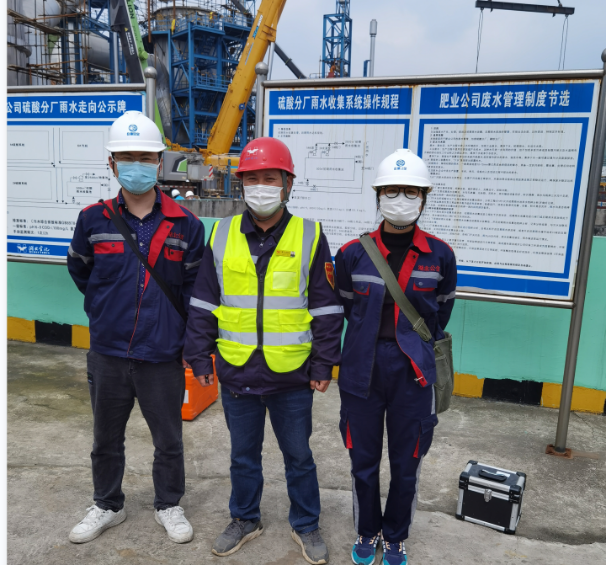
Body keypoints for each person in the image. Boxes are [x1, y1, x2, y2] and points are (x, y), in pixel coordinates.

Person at [184, 137, 344, 565]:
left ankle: (306, 523)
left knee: (299, 457)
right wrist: (198, 356)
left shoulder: (310, 235)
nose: (260, 187)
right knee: (242, 457)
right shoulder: (221, 234)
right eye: (251, 179)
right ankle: (244, 518)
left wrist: (324, 364)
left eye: (269, 178)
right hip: (237, 369)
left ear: (287, 183)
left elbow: (326, 308)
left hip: (292, 374)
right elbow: (204, 301)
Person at [67, 111, 205, 545]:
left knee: (169, 439)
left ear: (159, 162)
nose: (136, 165)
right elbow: (81, 271)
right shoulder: (93, 219)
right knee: (105, 438)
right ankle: (108, 504)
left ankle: (169, 503)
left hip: (162, 355)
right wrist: (106, 310)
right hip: (107, 353)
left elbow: (193, 291)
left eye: (144, 157)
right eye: (126, 157)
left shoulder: (186, 224)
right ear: (111, 163)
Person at [334, 148, 457, 565]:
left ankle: (396, 535)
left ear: (424, 197)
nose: (400, 199)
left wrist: (410, 344)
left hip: (413, 372)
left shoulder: (441, 255)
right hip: (361, 371)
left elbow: (440, 313)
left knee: (408, 462)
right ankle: (367, 530)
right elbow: (347, 306)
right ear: (378, 195)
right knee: (363, 461)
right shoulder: (352, 253)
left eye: (410, 191)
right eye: (391, 190)